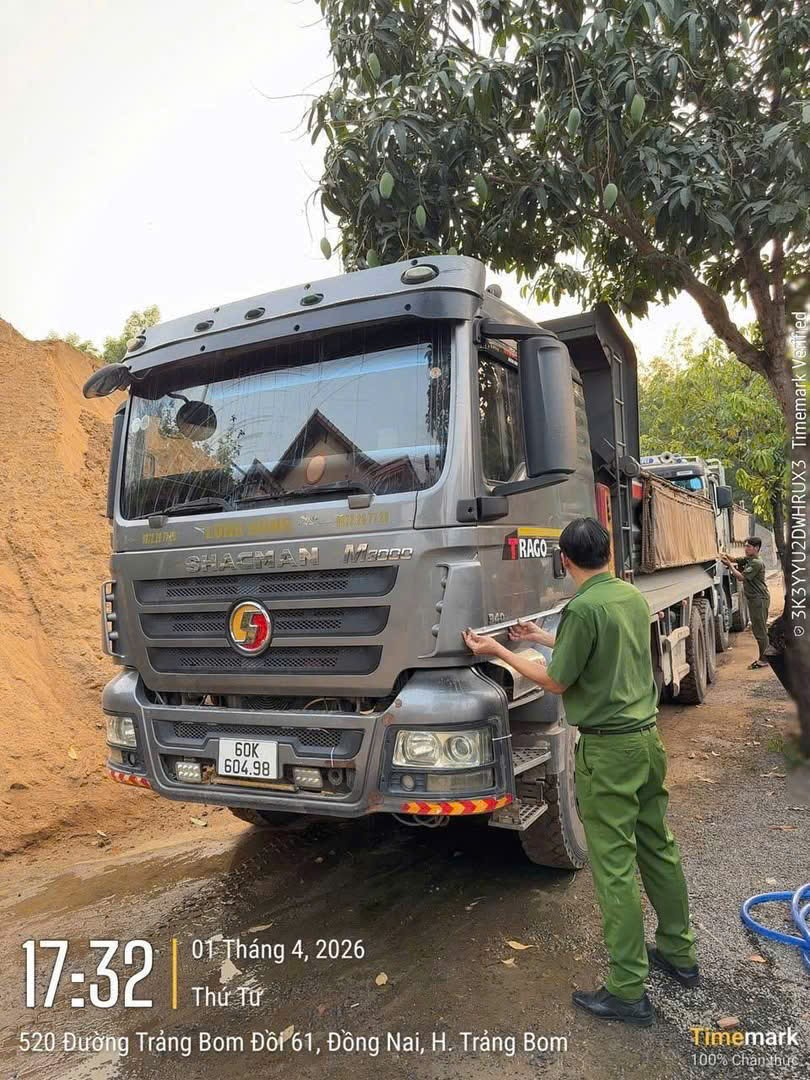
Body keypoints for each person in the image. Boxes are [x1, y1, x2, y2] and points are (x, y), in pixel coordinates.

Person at [463, 517, 697, 1028]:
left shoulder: (582, 609)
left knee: (614, 867)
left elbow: (556, 681)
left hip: (608, 752)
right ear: (608, 553)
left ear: (564, 560)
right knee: (658, 845)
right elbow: (597, 651)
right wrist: (542, 636)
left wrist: (499, 650)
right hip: (646, 741)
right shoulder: (629, 598)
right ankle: (680, 953)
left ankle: (628, 989)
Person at [721, 537, 771, 669]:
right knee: (759, 629)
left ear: (756, 548)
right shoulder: (749, 559)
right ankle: (765, 657)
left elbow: (741, 577)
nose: (746, 549)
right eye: (746, 546)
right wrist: (725, 556)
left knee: (760, 630)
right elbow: (734, 559)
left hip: (759, 599)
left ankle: (764, 659)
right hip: (755, 599)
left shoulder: (756, 563)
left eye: (748, 546)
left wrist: (730, 566)